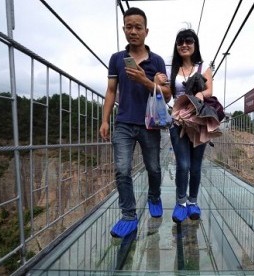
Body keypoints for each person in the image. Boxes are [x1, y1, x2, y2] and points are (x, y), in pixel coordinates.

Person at [99, 7, 171, 238]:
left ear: (146, 31)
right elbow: (111, 91)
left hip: (150, 124)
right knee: (122, 170)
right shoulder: (117, 59)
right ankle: (129, 215)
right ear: (123, 29)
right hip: (123, 123)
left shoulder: (157, 60)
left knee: (154, 168)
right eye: (129, 27)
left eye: (138, 27)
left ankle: (154, 196)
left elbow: (167, 95)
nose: (133, 31)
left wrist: (145, 80)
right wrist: (105, 120)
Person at [165, 28, 213, 223]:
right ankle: (181, 202)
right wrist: (156, 83)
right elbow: (168, 95)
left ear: (195, 44)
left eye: (188, 41)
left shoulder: (204, 67)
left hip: (198, 121)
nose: (184, 45)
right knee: (183, 164)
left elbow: (210, 90)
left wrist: (201, 95)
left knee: (195, 165)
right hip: (178, 121)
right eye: (180, 42)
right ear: (176, 46)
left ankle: (193, 202)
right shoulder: (172, 70)